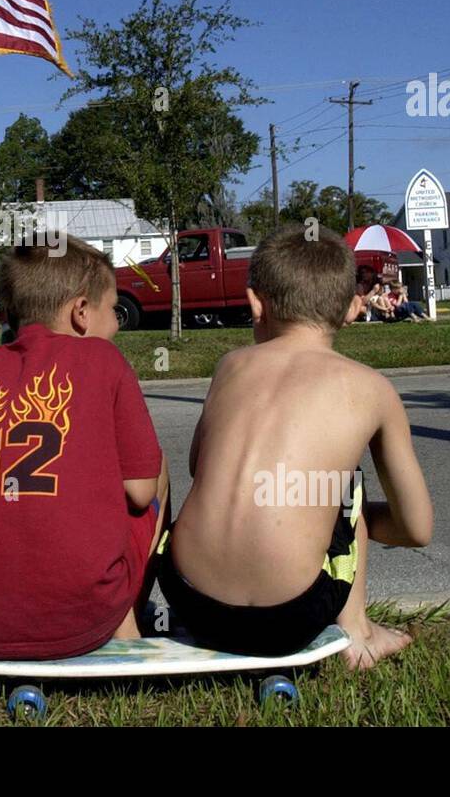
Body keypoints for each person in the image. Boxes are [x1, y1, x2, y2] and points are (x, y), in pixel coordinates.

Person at [159, 225, 433, 669]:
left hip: (188, 601)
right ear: (353, 308)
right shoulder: (373, 388)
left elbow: (197, 466)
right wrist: (346, 513)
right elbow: (417, 529)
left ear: (255, 302)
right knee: (344, 486)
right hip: (289, 618)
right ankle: (358, 634)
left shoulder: (230, 366)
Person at [0, 237, 170, 660]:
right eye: (113, 310)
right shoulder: (104, 361)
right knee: (154, 468)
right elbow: (140, 493)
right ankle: (127, 623)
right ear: (82, 312)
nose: (117, 324)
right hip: (83, 618)